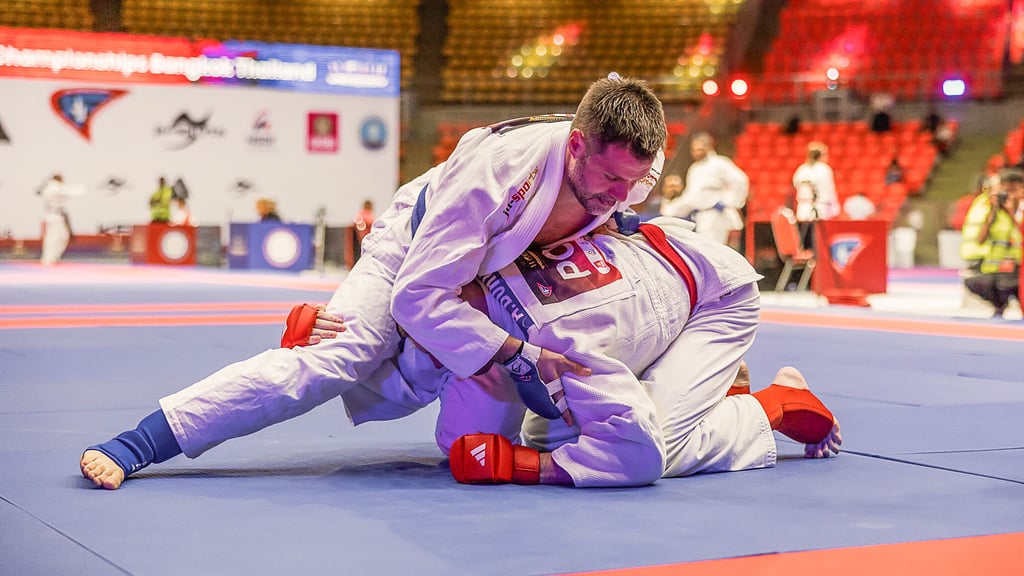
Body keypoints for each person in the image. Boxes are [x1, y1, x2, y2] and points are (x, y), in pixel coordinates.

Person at [79, 75, 669, 487]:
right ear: (576, 145)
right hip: (412, 252)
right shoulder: (495, 175)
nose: (621, 194)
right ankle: (142, 442)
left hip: (484, 279)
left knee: (470, 448)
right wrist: (516, 351)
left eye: (635, 182)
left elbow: (621, 214)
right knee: (337, 358)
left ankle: (400, 352)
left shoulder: (630, 165)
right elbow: (417, 296)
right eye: (610, 180)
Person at [81, 217, 841, 489]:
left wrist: (524, 469)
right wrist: (331, 320)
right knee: (343, 361)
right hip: (602, 276)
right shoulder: (443, 272)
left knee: (650, 442)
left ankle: (765, 406)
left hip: (707, 292)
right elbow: (366, 348)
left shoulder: (559, 346)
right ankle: (144, 441)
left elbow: (635, 450)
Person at [660, 133, 748, 247]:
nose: (697, 152)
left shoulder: (720, 163)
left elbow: (740, 180)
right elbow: (690, 197)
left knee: (719, 252)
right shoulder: (694, 169)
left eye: (700, 149)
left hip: (718, 216)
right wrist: (671, 209)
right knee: (706, 252)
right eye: (694, 150)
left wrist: (728, 202)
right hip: (702, 217)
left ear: (708, 147)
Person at [959, 169, 1023, 317]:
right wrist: (993, 211)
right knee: (980, 282)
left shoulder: (1018, 208)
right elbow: (980, 239)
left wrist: (1011, 212)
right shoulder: (988, 207)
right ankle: (999, 305)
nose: (1010, 195)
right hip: (995, 267)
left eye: (1014, 190)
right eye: (1006, 190)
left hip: (1017, 266)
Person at [792, 141, 839, 247]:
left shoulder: (801, 169)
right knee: (819, 242)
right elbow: (829, 191)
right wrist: (835, 208)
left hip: (803, 209)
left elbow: (795, 185)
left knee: (805, 242)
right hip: (820, 209)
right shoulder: (824, 169)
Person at [37, 173, 85, 265]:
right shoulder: (54, 188)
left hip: (55, 216)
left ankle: (52, 257)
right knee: (53, 239)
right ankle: (48, 259)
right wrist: (81, 189)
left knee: (62, 237)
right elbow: (68, 192)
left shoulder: (49, 188)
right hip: (54, 217)